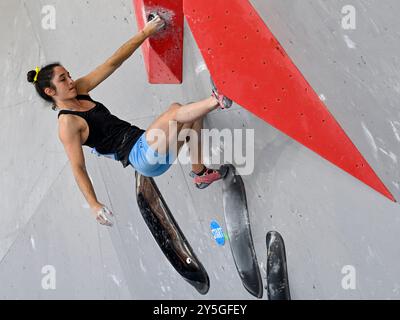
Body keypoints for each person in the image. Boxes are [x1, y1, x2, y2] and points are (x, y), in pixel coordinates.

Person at [27, 15, 232, 227]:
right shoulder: (67, 124)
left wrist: (146, 32)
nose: (71, 81)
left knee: (189, 112)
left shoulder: (79, 90)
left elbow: (113, 63)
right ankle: (218, 99)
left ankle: (200, 174)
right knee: (175, 112)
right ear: (50, 91)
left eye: (68, 75)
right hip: (141, 155)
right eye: (63, 80)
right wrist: (94, 204)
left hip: (151, 150)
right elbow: (78, 167)